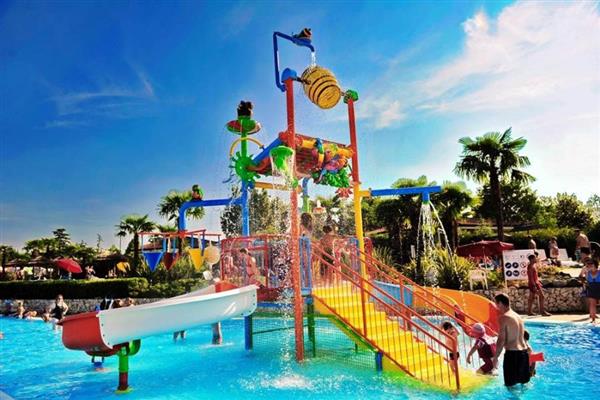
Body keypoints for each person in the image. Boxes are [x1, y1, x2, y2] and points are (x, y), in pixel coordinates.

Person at [492, 293, 530, 387]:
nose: (496, 307)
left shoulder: (504, 317)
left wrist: (496, 357)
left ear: (500, 303)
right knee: (524, 385)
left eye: (496, 304)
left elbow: (501, 339)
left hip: (513, 355)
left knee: (510, 386)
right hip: (524, 353)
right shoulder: (518, 316)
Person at [581, 258, 600, 323]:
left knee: (592, 305)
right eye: (588, 264)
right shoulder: (587, 273)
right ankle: (593, 319)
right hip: (592, 289)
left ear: (595, 265)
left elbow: (582, 277)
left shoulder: (588, 273)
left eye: (591, 264)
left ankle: (593, 320)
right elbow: (581, 277)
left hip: (593, 288)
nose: (589, 265)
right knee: (592, 304)